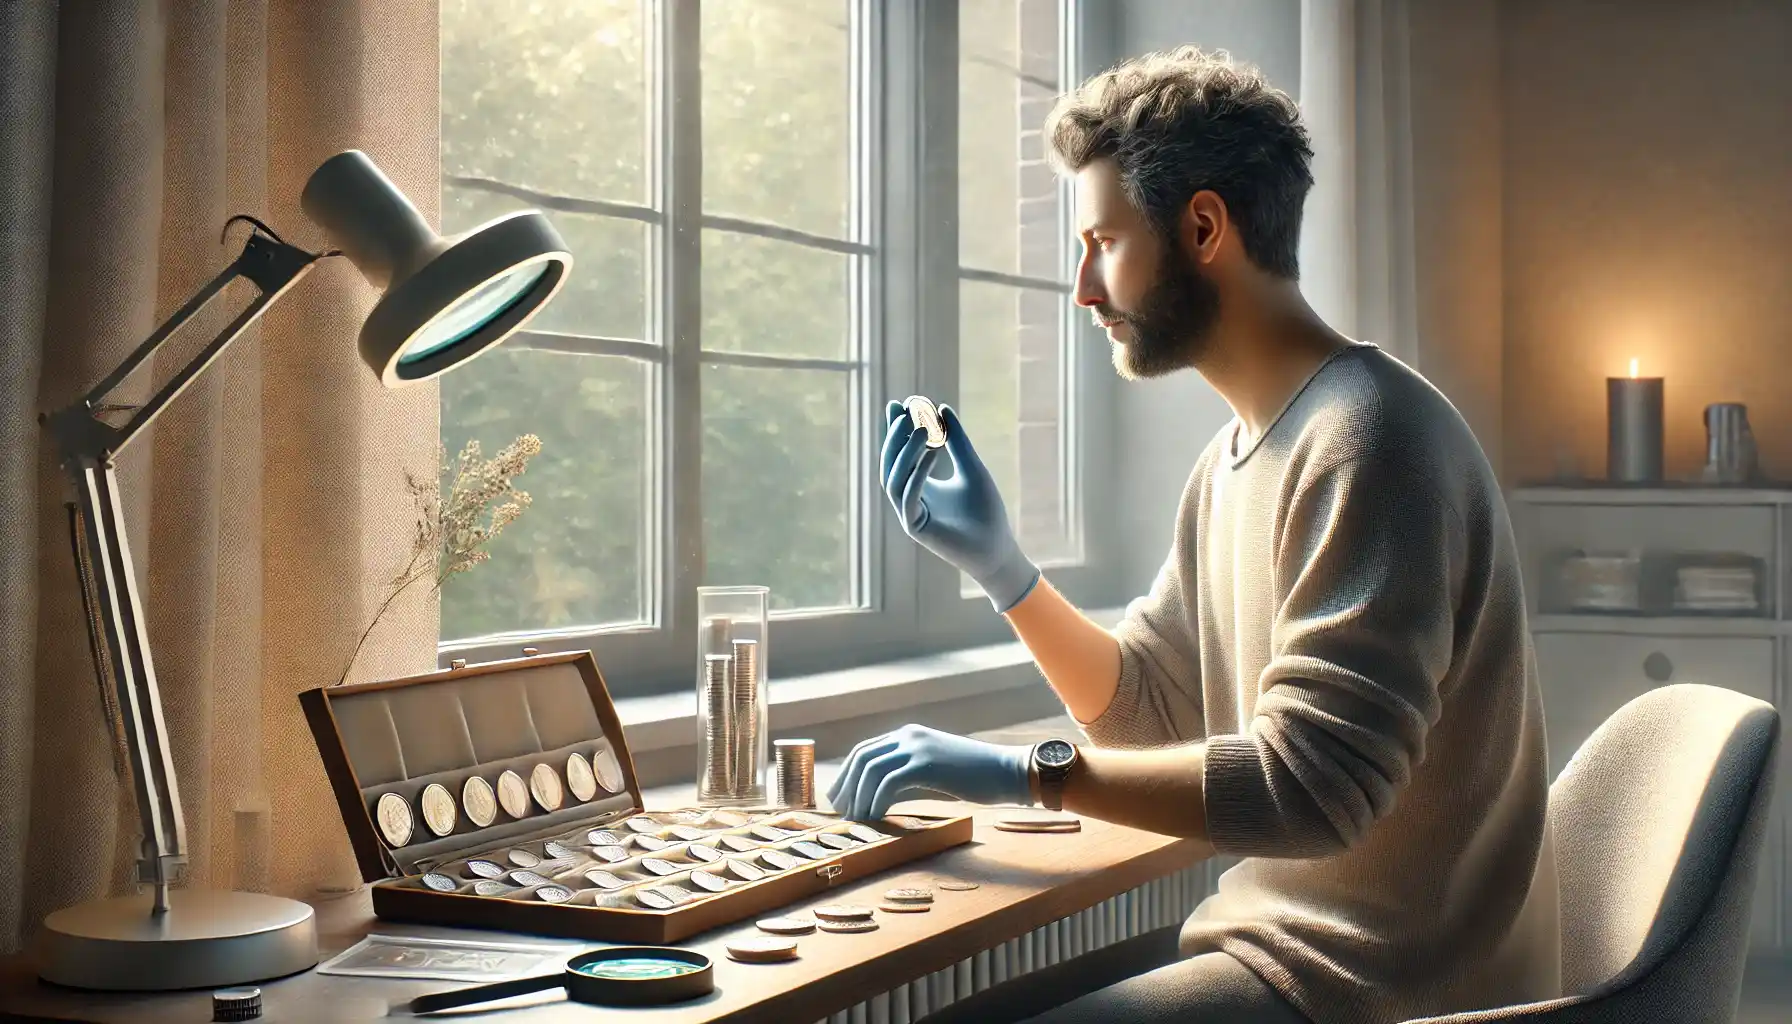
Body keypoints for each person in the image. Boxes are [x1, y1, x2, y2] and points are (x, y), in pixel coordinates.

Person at [826, 46, 1560, 1024]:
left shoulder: (1371, 442)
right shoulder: (1233, 459)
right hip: (1281, 960)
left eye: (1103, 243)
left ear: (1203, 226)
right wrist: (1004, 574)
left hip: (1384, 995)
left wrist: (1016, 774)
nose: (1084, 290)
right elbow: (1151, 712)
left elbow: (1311, 792)